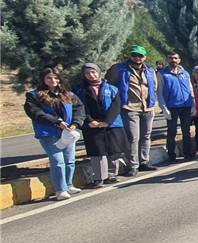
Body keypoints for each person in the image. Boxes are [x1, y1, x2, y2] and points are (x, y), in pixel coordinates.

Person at [24, 68, 86, 200]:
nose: (53, 81)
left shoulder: (68, 94)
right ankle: (60, 190)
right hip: (49, 133)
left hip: (68, 132)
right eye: (49, 78)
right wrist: (56, 121)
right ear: (43, 80)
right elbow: (35, 113)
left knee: (69, 160)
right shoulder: (34, 96)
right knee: (58, 161)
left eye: (56, 78)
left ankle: (69, 185)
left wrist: (76, 123)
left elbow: (79, 109)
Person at [105, 45, 158, 175]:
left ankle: (144, 162)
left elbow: (154, 85)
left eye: (140, 56)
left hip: (148, 107)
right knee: (133, 137)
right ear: (130, 55)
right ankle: (132, 165)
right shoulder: (119, 69)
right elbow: (109, 85)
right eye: (135, 55)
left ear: (145, 57)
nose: (137, 58)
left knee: (146, 136)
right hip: (129, 107)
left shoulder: (150, 70)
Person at [75, 63, 129, 188]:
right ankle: (99, 178)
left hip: (111, 124)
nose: (91, 75)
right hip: (92, 124)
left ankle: (111, 175)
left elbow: (116, 106)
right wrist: (90, 121)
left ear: (99, 73)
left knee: (114, 151)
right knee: (97, 152)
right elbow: (81, 107)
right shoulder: (79, 90)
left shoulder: (112, 88)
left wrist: (107, 121)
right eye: (88, 73)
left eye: (93, 72)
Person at [156, 51, 195, 162]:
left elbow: (190, 89)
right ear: (167, 59)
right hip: (172, 107)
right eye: (170, 58)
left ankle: (188, 153)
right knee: (172, 132)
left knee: (186, 131)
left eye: (175, 58)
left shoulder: (185, 73)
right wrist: (163, 108)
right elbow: (160, 92)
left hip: (186, 106)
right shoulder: (162, 74)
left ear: (179, 60)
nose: (173, 60)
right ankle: (171, 155)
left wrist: (193, 104)